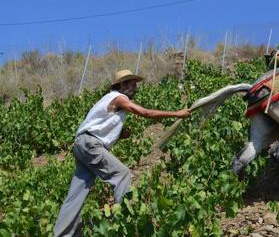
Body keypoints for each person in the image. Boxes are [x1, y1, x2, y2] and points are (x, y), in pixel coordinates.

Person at [53, 69, 191, 237]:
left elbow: (99, 127)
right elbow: (145, 113)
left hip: (83, 144)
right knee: (122, 174)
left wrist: (119, 134)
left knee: (76, 195)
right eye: (132, 84)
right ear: (122, 85)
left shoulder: (109, 100)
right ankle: (126, 223)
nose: (135, 88)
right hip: (90, 145)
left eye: (135, 84)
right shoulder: (119, 98)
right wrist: (177, 114)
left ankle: (63, 234)